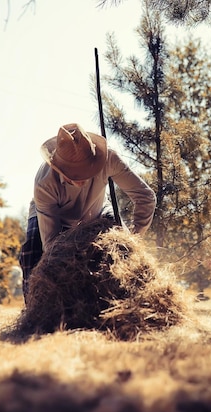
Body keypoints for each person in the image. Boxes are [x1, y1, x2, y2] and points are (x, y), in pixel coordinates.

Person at [19, 122, 156, 300]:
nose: (81, 178)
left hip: (97, 209)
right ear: (59, 167)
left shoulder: (109, 159)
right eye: (74, 173)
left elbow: (146, 197)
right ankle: (36, 309)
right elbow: (51, 244)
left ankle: (129, 301)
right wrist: (74, 260)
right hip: (51, 216)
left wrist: (134, 237)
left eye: (85, 170)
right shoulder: (44, 183)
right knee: (32, 254)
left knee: (123, 249)